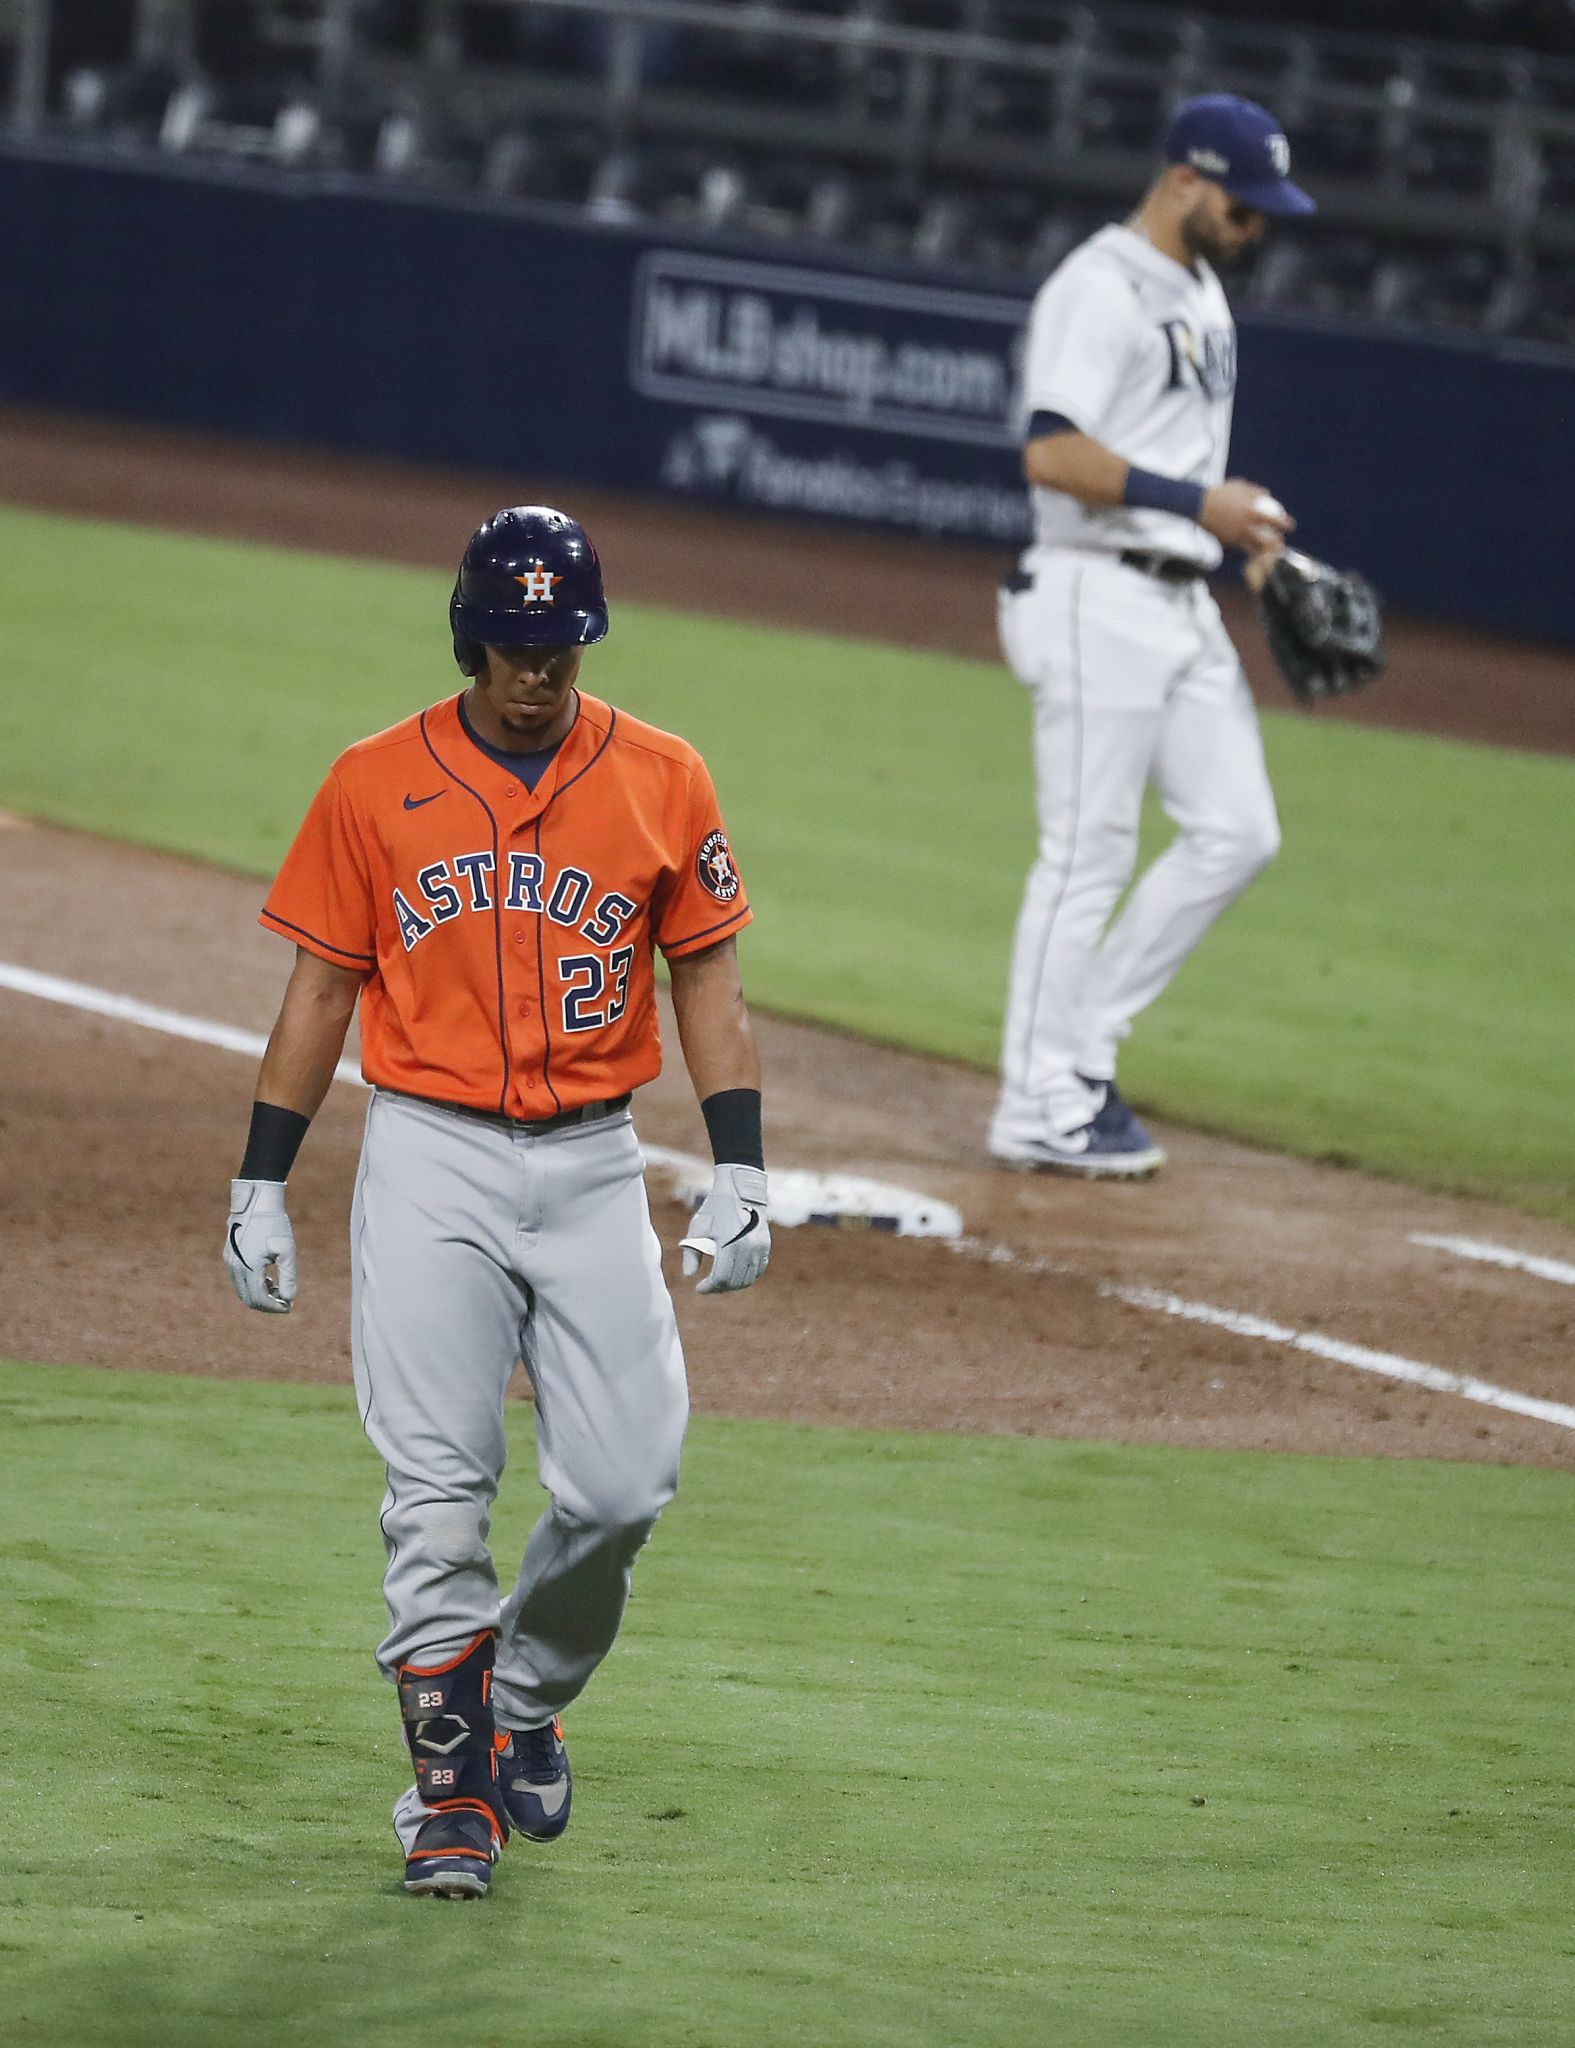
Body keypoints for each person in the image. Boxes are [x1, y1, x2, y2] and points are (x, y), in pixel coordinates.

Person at [223, 506, 771, 1899]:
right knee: (437, 1500)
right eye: (519, 645)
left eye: (562, 644)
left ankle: (522, 1695)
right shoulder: (371, 783)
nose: (540, 671)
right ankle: (449, 1800)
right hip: (430, 1160)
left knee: (624, 1480)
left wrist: (741, 1163)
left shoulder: (662, 774)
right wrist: (259, 1184)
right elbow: (321, 990)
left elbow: (701, 975)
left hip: (594, 1165)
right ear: (474, 637)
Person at [990, 94, 1315, 1177]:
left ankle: (1080, 1049)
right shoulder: (1099, 286)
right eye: (1244, 201)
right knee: (1087, 854)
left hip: (1179, 597)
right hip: (1092, 590)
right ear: (1184, 177)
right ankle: (1037, 1101)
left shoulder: (1205, 294)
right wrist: (1198, 505)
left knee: (1239, 829)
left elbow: (1187, 463)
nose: (1257, 223)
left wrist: (1246, 541)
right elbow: (1051, 451)